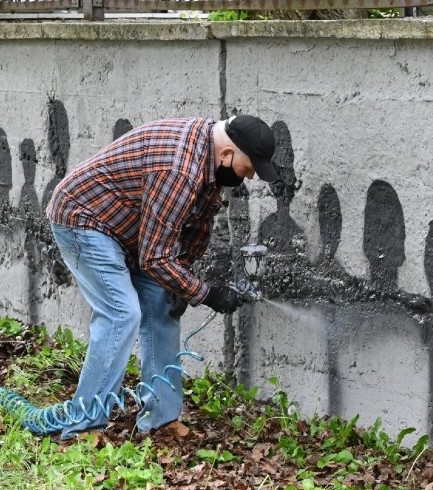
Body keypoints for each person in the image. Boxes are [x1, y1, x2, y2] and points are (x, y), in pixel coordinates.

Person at [45, 115, 279, 440]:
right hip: (84, 219)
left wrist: (180, 285)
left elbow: (189, 229)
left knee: (161, 304)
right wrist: (206, 293)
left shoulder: (208, 159)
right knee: (121, 313)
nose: (251, 175)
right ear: (227, 154)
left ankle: (160, 421)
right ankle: (82, 428)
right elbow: (155, 258)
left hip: (131, 230)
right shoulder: (179, 170)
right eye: (249, 166)